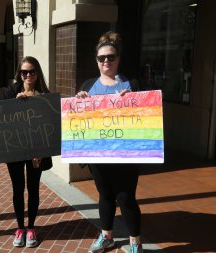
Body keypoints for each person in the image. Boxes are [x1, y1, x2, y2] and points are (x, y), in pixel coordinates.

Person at [76, 31, 143, 253]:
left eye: (111, 57)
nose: (106, 61)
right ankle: (107, 237)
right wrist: (79, 102)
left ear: (118, 59)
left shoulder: (131, 84)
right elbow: (78, 119)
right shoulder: (88, 84)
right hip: (98, 154)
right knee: (104, 196)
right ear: (96, 61)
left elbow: (146, 117)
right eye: (102, 58)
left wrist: (135, 100)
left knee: (125, 198)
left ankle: (135, 242)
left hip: (126, 155)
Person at [3, 56, 50, 248]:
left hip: (36, 150)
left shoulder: (45, 94)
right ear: (19, 74)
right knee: (17, 188)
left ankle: (31, 227)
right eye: (24, 72)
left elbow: (50, 125)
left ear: (37, 73)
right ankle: (20, 227)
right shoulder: (10, 92)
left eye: (32, 71)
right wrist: (14, 104)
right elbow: (1, 119)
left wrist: (43, 151)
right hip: (15, 149)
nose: (28, 75)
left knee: (33, 188)